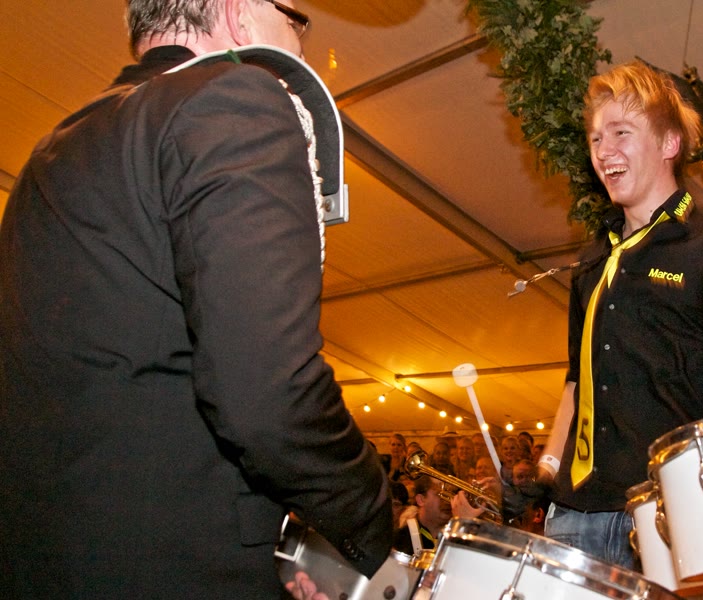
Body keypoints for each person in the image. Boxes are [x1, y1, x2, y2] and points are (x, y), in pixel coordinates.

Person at [0, 1, 393, 598]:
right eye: (296, 22)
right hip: (171, 565)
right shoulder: (236, 98)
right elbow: (268, 393)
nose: (300, 45)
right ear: (241, 14)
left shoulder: (56, 146)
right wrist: (370, 520)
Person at [537, 59, 703, 569]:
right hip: (573, 515)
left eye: (621, 133)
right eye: (595, 138)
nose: (603, 150)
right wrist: (545, 469)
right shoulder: (593, 259)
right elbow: (575, 382)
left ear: (669, 143)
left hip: (670, 514)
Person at [392, 476, 453, 557]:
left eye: (451, 494)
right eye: (440, 494)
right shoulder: (399, 540)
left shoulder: (456, 540)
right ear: (420, 500)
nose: (448, 501)